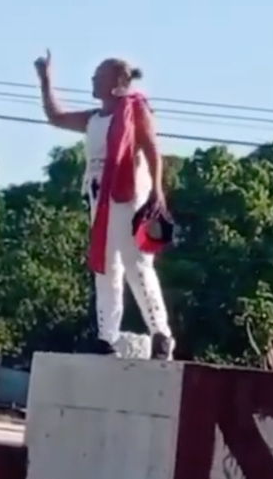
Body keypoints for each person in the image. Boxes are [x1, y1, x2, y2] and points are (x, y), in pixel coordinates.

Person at [34, 51, 175, 360]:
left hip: (128, 192)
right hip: (99, 197)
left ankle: (161, 333)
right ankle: (106, 336)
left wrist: (157, 192)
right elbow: (56, 116)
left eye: (99, 75)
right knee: (105, 266)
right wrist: (46, 82)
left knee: (136, 264)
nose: (93, 79)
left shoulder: (134, 110)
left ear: (117, 82)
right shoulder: (94, 118)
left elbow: (152, 150)